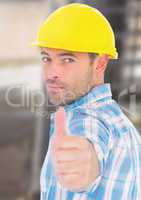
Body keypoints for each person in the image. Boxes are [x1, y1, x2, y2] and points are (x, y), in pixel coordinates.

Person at [31, 3, 141, 200]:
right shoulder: (123, 125)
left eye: (68, 59)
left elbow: (89, 144)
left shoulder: (84, 121)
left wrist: (82, 169)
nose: (52, 73)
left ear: (100, 63)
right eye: (47, 58)